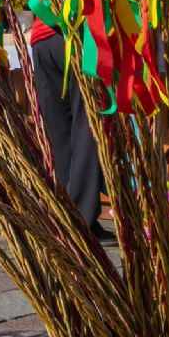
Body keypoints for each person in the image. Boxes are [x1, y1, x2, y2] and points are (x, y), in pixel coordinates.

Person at [28, 17, 104, 233]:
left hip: (41, 38)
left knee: (59, 132)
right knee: (86, 127)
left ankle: (67, 214)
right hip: (74, 35)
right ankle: (81, 220)